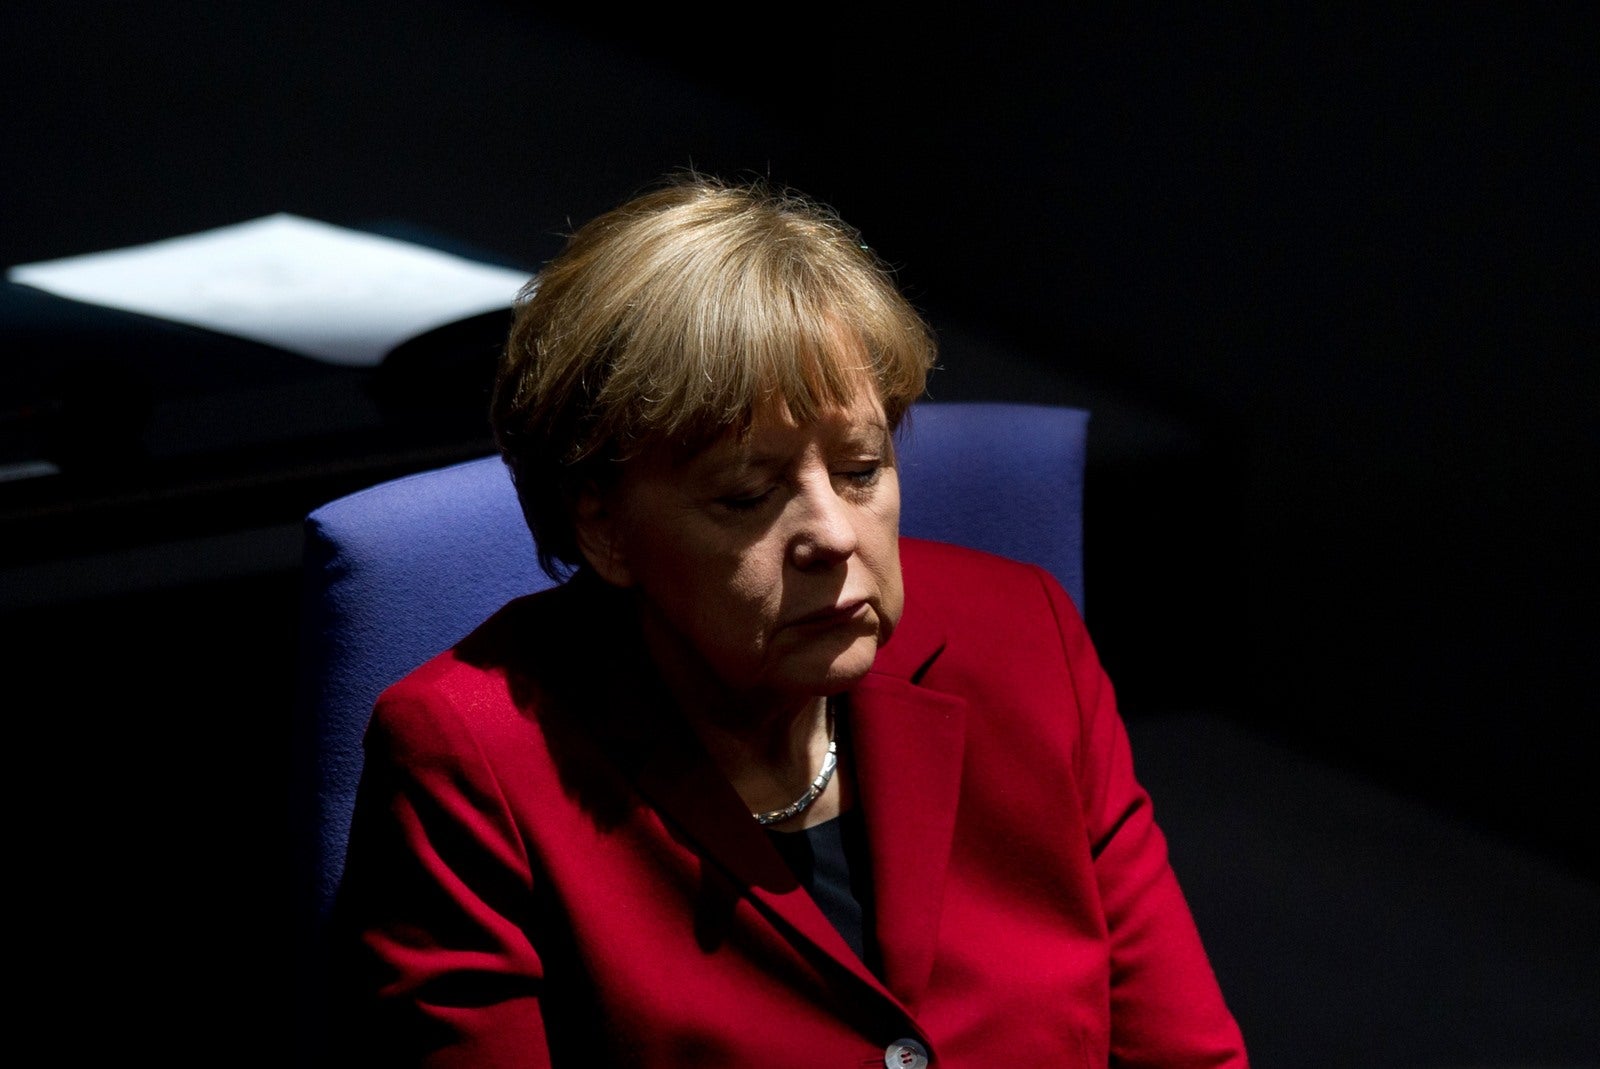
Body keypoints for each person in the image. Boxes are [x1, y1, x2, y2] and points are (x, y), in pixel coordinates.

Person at [325, 172, 1249, 1067]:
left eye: (860, 470)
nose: (834, 536)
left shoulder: (1025, 641)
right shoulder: (469, 758)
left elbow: (1185, 1053)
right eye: (748, 493)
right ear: (602, 523)